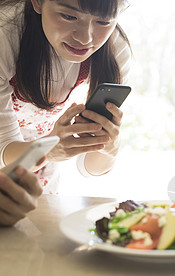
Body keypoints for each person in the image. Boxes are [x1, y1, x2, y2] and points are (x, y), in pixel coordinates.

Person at [0, 0, 132, 193]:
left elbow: (91, 169)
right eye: (69, 16)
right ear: (37, 2)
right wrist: (47, 150)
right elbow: (4, 154)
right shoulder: (5, 35)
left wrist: (109, 147)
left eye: (103, 21)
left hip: (42, 178)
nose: (85, 38)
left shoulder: (115, 48)